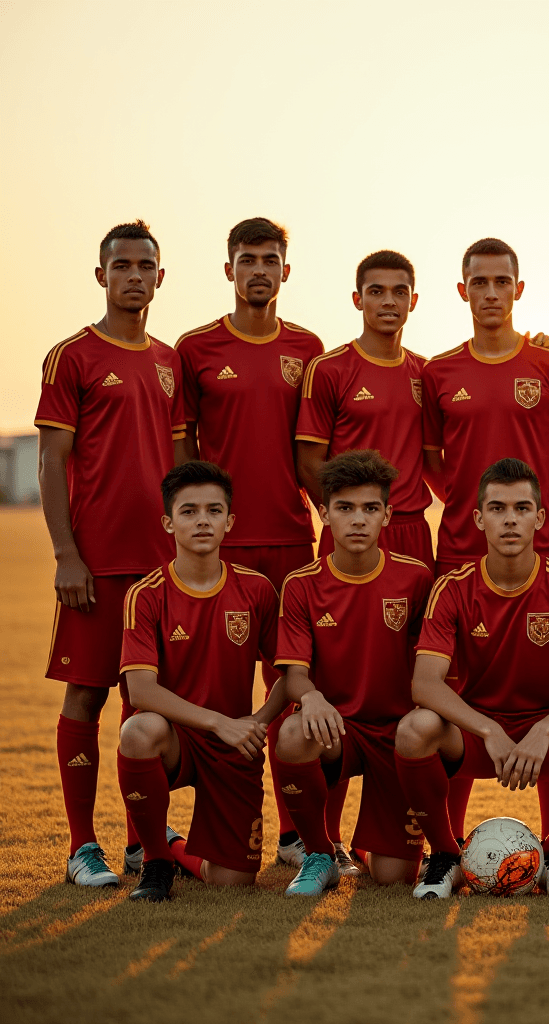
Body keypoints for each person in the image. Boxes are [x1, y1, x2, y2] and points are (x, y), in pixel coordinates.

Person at [394, 459, 549, 899]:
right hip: (479, 736)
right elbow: (425, 684)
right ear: (479, 519)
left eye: (521, 508)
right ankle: (444, 856)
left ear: (540, 517)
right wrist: (488, 729)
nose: (510, 519)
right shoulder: (453, 587)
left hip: (548, 736)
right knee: (413, 729)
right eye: (497, 508)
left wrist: (545, 728)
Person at [36, 219, 186, 886]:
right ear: (101, 276)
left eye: (144, 265)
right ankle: (80, 846)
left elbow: (181, 466)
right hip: (95, 564)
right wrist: (67, 555)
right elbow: (49, 460)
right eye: (120, 265)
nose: (133, 275)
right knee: (84, 696)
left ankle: (138, 841)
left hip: (160, 569)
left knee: (144, 706)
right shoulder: (73, 356)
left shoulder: (168, 361)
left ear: (160, 276)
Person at [175, 217, 325, 870]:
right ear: (228, 269)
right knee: (215, 687)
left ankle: (295, 832)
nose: (259, 269)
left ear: (286, 271)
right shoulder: (196, 347)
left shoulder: (309, 346)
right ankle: (211, 829)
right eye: (247, 258)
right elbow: (182, 451)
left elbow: (317, 447)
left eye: (270, 258)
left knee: (291, 680)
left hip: (292, 538)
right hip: (220, 547)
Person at [117, 461, 286, 902]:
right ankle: (154, 862)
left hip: (234, 744)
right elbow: (140, 691)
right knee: (138, 730)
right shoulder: (147, 594)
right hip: (178, 737)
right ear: (168, 522)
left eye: (214, 510)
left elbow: (288, 672)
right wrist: (217, 722)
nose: (202, 520)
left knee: (233, 881)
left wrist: (259, 720)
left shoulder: (257, 590)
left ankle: (174, 848)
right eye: (189, 511)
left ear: (229, 521)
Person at [273, 450, 434, 895]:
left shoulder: (416, 579)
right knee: (291, 733)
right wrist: (312, 697)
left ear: (388, 513)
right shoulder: (302, 584)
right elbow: (293, 673)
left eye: (369, 508)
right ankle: (320, 852)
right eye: (344, 508)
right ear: (324, 514)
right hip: (336, 730)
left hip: (397, 736)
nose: (358, 520)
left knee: (392, 878)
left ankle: (373, 849)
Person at [421, 238, 549, 578]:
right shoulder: (437, 372)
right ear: (462, 290)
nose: (492, 293)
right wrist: (471, 502)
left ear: (519, 288)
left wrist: (527, 503)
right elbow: (430, 461)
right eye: (479, 283)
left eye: (502, 282)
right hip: (461, 545)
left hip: (537, 543)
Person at [295, 250, 436, 569]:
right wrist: (346, 516)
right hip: (351, 531)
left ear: (412, 301)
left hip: (411, 529)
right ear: (358, 299)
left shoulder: (426, 373)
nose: (389, 301)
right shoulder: (329, 369)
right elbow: (307, 463)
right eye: (376, 291)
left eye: (399, 292)